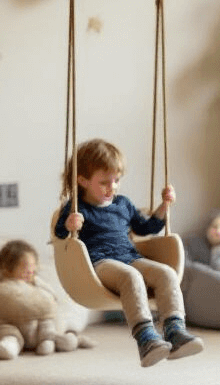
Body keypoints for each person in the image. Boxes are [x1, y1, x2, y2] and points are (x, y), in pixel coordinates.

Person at [54, 138, 203, 367]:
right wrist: (69, 225)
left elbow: (147, 228)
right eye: (104, 182)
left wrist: (164, 206)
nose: (112, 187)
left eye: (117, 180)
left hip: (130, 258)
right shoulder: (76, 207)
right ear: (82, 180)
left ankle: (175, 332)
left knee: (166, 273)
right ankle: (146, 339)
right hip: (99, 264)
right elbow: (60, 235)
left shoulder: (123, 204)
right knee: (131, 277)